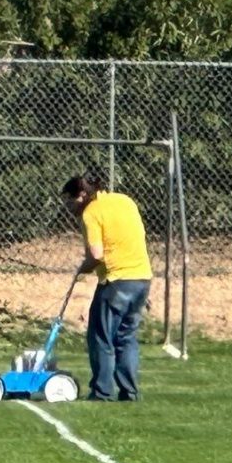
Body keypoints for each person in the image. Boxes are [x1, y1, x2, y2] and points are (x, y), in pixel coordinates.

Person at [64, 170, 153, 402]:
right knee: (126, 337)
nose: (68, 206)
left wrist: (83, 269)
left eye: (69, 199)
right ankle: (129, 392)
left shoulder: (91, 213)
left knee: (100, 336)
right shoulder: (125, 201)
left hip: (116, 281)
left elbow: (96, 254)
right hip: (142, 278)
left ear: (82, 194)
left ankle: (102, 392)